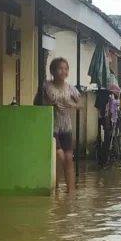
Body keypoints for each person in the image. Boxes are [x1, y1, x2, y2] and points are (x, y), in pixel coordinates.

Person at [43, 57, 81, 194]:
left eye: (65, 69)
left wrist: (72, 105)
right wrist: (50, 105)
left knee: (69, 159)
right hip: (51, 125)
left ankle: (71, 192)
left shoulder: (71, 89)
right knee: (60, 156)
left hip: (66, 127)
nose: (63, 71)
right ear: (53, 71)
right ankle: (56, 186)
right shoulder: (46, 86)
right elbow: (37, 103)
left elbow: (80, 105)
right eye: (60, 68)